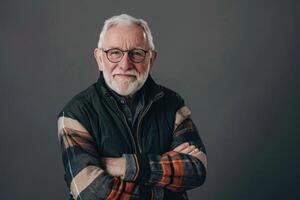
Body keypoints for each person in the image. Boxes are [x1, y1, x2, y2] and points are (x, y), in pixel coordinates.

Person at [57, 14, 207, 200]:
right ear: (99, 59)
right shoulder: (76, 113)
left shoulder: (172, 103)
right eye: (114, 53)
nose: (125, 64)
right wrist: (163, 189)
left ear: (151, 59)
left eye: (136, 53)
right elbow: (90, 191)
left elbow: (195, 170)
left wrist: (125, 166)